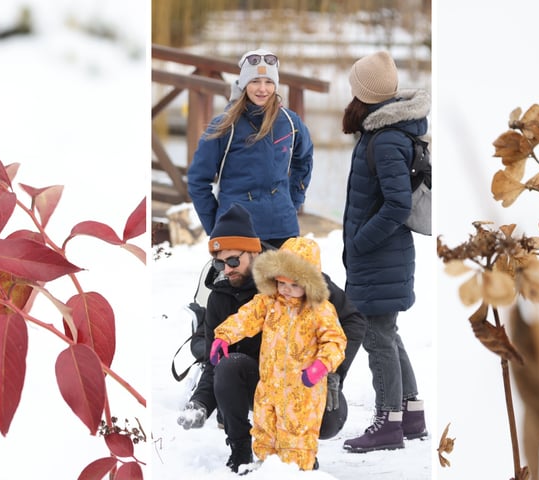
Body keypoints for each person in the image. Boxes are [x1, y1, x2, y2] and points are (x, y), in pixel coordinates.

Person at [176, 203, 366, 472]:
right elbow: (241, 324)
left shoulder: (306, 284)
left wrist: (330, 370)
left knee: (305, 428)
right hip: (266, 380)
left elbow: (346, 327)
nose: (226, 269)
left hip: (304, 381)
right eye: (220, 262)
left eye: (233, 261)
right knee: (264, 427)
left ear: (253, 252)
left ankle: (300, 466)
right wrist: (222, 342)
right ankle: (250, 457)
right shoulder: (259, 297)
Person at [339, 50, 430, 453]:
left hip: (379, 254)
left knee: (377, 339)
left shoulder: (388, 138)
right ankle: (410, 414)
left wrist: (360, 241)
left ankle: (387, 421)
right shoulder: (379, 132)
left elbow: (397, 205)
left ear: (366, 94)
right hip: (379, 254)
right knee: (387, 334)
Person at [210, 236, 347, 471]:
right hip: (270, 385)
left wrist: (322, 365)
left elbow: (334, 340)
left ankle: (301, 469)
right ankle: (266, 467)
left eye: (294, 285)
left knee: (297, 436)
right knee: (265, 431)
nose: (286, 289)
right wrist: (224, 335)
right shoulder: (269, 301)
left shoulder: (320, 310)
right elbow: (247, 317)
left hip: (302, 392)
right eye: (281, 282)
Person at [187, 48, 315, 248]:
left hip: (283, 229)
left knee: (280, 280)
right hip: (236, 231)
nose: (262, 89)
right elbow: (197, 180)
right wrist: (215, 226)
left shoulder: (290, 122)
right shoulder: (224, 125)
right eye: (255, 81)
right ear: (244, 84)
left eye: (269, 82)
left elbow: (304, 159)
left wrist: (292, 202)